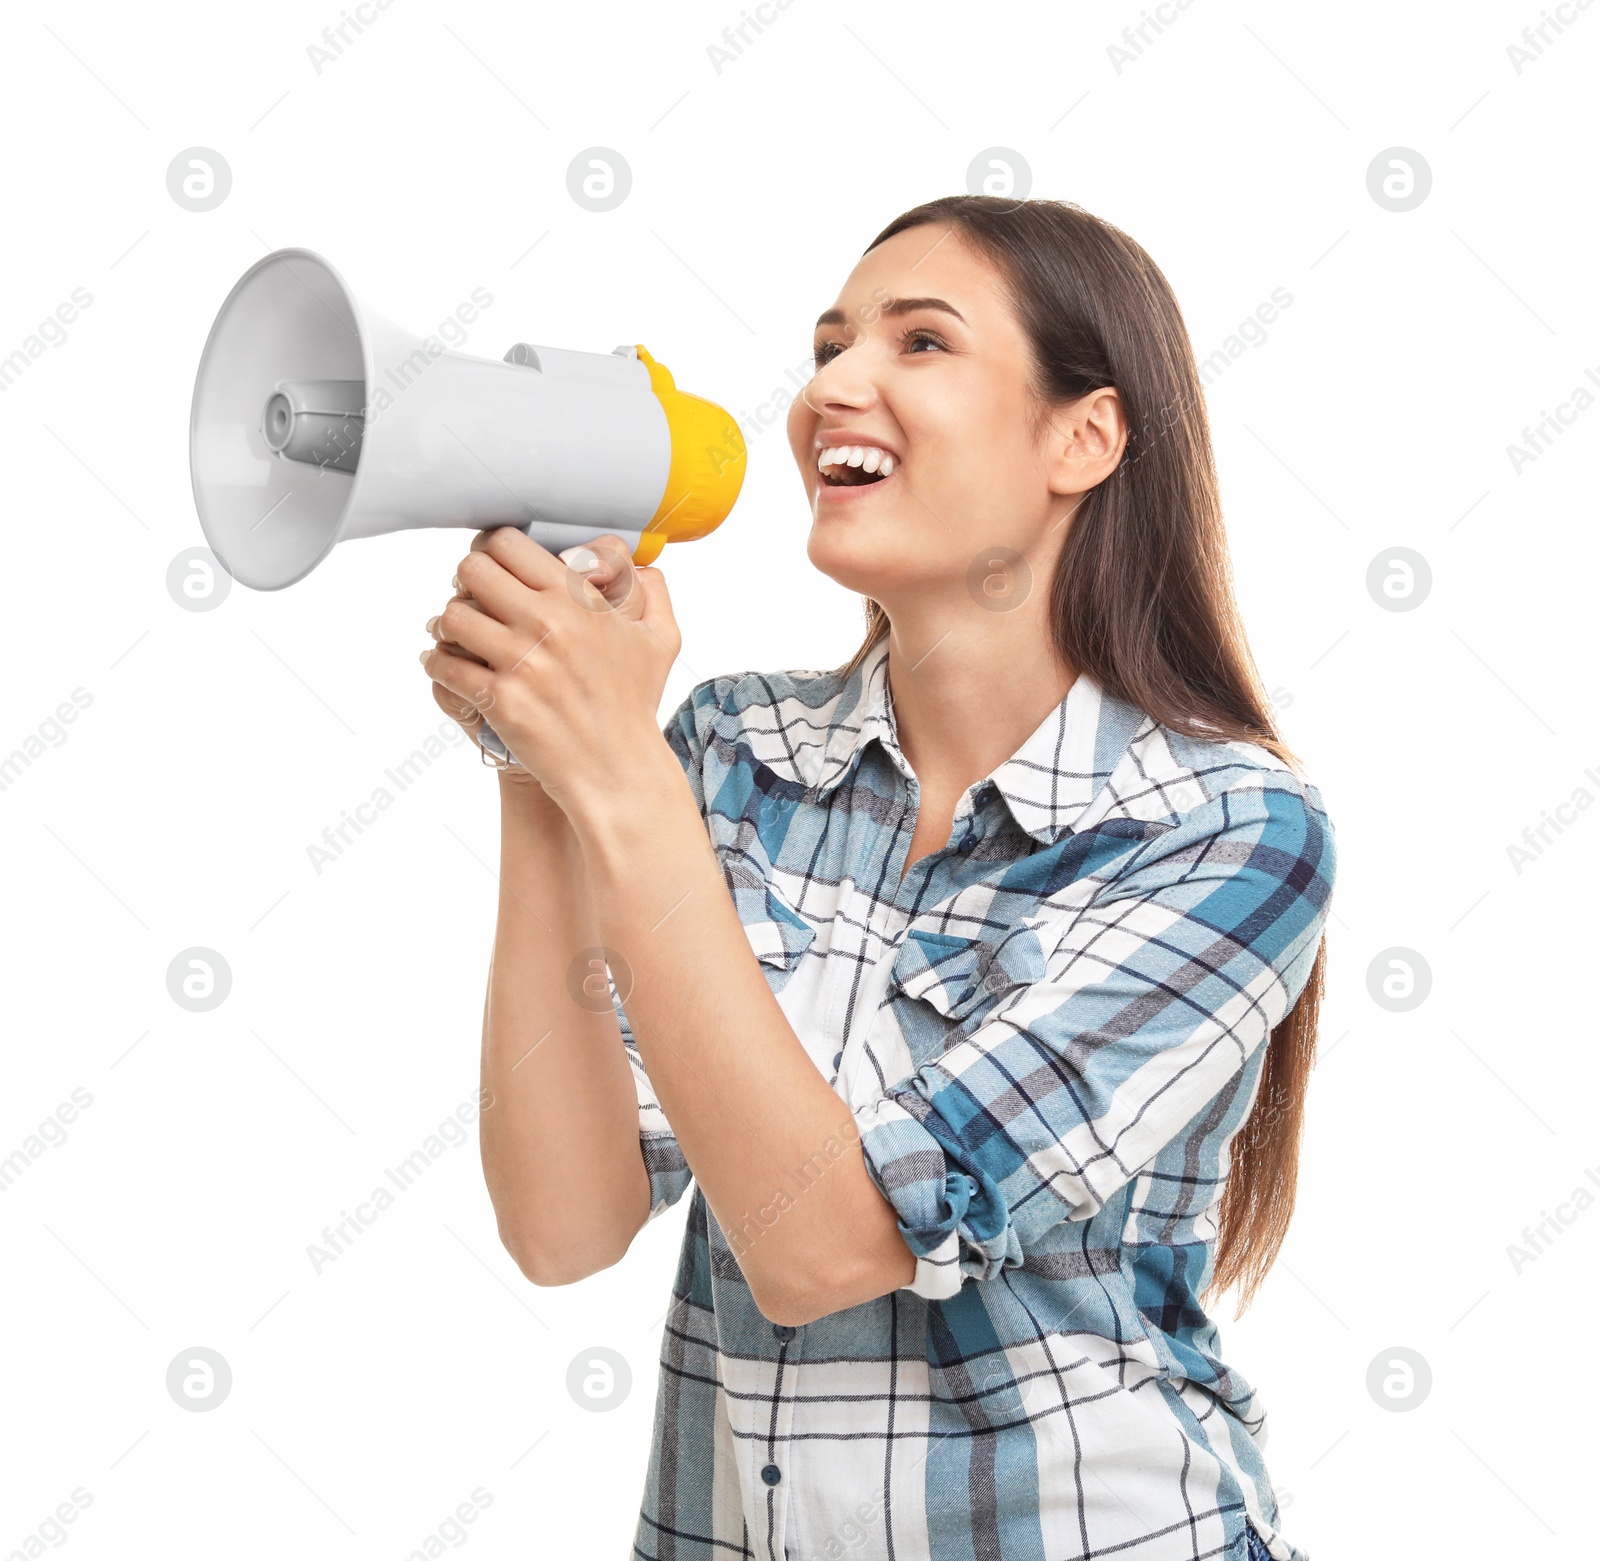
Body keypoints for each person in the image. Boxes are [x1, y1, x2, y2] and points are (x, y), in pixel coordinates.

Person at [420, 194, 1335, 1561]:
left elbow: (825, 1247)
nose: (833, 384)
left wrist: (615, 769)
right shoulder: (730, 751)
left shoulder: (1228, 831)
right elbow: (565, 1220)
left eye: (920, 344)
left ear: (1081, 437)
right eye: (831, 341)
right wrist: (539, 765)